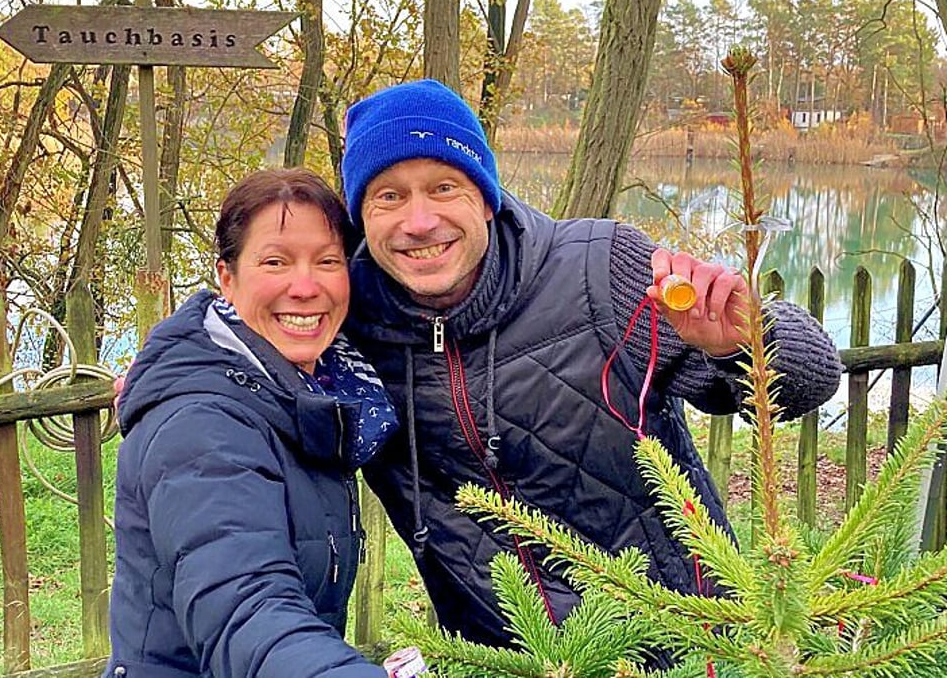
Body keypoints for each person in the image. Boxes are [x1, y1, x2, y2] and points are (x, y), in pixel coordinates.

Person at [339, 79, 843, 648]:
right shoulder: (346, 323)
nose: (420, 220)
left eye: (444, 186)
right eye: (388, 196)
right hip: (505, 659)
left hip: (680, 642)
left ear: (484, 195)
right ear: (360, 214)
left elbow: (810, 379)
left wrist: (739, 340)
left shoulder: (598, 269)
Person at [105, 168, 396, 677]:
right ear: (226, 277)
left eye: (327, 261)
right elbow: (245, 607)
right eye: (275, 262)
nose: (305, 287)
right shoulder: (201, 423)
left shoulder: (321, 390)